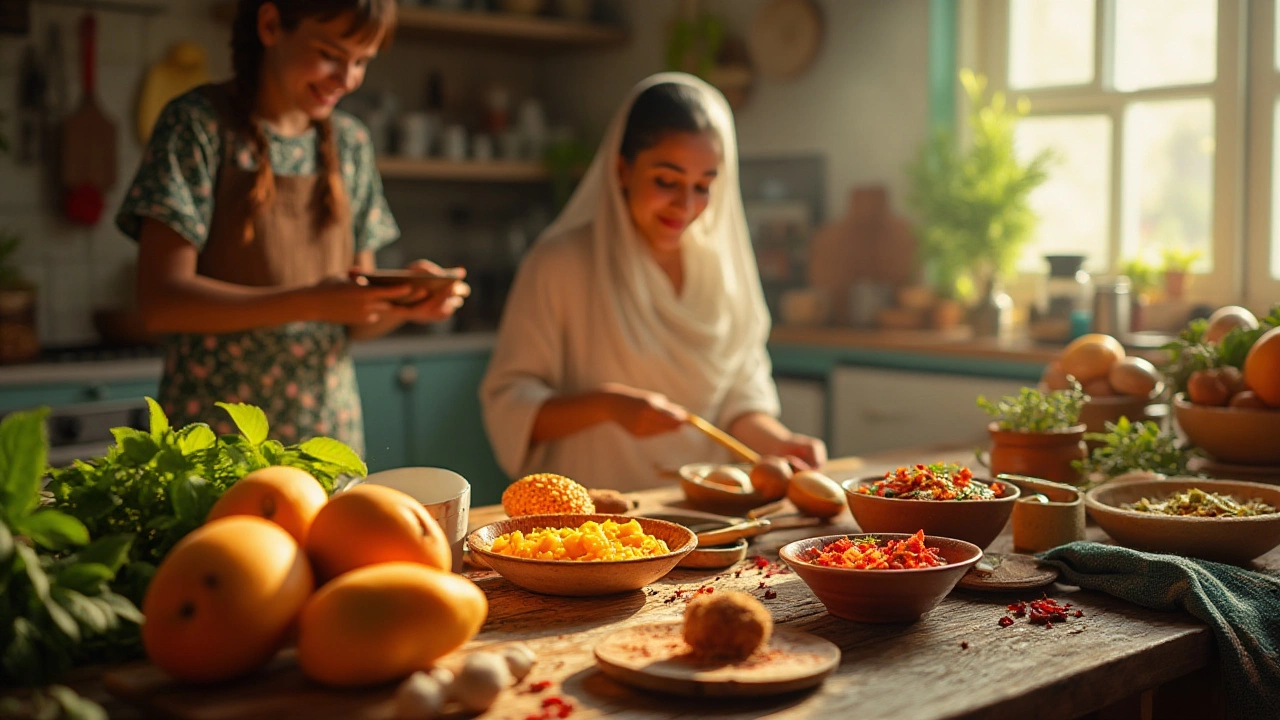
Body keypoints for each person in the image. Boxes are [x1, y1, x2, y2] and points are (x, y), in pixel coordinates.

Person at [116, 0, 468, 455]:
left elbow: (356, 320)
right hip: (215, 444)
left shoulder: (351, 144)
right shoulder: (196, 125)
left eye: (361, 61)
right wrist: (313, 301)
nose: (348, 79)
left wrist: (403, 304)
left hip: (327, 438)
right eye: (331, 54)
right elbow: (162, 303)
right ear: (270, 24)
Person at [480, 73, 826, 491]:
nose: (685, 205)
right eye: (666, 181)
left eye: (703, 186)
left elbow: (739, 398)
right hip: (594, 528)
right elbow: (507, 403)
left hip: (702, 517)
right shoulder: (560, 264)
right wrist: (607, 406)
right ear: (622, 169)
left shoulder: (722, 272)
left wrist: (781, 443)